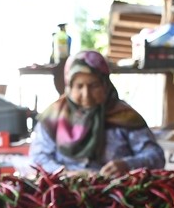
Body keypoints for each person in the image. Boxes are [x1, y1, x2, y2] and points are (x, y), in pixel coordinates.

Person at [29, 50, 166, 176]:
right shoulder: (53, 118)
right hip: (64, 192)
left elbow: (156, 156)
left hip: (117, 192)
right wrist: (65, 173)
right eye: (79, 86)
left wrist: (127, 164)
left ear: (105, 84)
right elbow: (37, 158)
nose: (86, 94)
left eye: (94, 86)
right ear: (69, 87)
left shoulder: (125, 116)